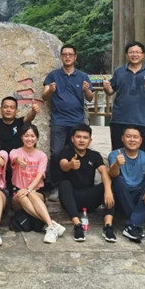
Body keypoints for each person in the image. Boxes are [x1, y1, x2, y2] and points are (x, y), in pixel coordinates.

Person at [41, 44, 94, 193]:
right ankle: (55, 187)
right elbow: (44, 96)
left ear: (75, 57)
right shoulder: (53, 75)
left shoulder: (83, 76)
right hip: (59, 121)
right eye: (64, 54)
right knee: (57, 153)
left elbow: (90, 98)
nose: (67, 57)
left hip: (77, 121)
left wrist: (86, 90)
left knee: (77, 153)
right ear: (61, 57)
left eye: (70, 54)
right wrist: (50, 90)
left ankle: (76, 186)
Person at [57, 124, 115, 242]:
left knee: (109, 184)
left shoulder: (94, 155)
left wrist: (108, 191)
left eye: (85, 137)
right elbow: (63, 165)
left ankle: (108, 226)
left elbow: (104, 171)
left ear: (90, 140)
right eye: (78, 137)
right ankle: (77, 225)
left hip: (89, 198)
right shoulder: (66, 152)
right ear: (72, 139)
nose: (81, 140)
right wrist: (70, 165)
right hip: (71, 198)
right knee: (64, 184)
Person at [9, 124, 66, 244]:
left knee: (30, 194)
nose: (29, 139)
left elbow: (40, 175)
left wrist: (28, 189)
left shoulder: (42, 156)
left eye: (32, 136)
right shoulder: (15, 152)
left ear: (37, 138)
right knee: (21, 195)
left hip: (36, 192)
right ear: (21, 137)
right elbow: (14, 158)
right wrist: (19, 160)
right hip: (17, 192)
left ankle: (50, 227)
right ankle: (51, 223)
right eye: (26, 136)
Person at [103, 41, 145, 149]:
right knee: (118, 150)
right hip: (119, 119)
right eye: (131, 52)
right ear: (126, 55)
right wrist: (106, 87)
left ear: (143, 54)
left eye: (137, 52)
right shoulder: (119, 71)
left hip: (141, 119)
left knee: (142, 152)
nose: (134, 55)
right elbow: (110, 91)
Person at [108, 126, 145, 243]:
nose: (132, 140)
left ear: (140, 140)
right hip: (122, 196)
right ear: (122, 138)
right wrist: (117, 164)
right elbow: (112, 174)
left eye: (135, 137)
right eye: (128, 136)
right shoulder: (115, 154)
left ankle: (131, 225)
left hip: (138, 196)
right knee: (118, 180)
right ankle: (136, 224)